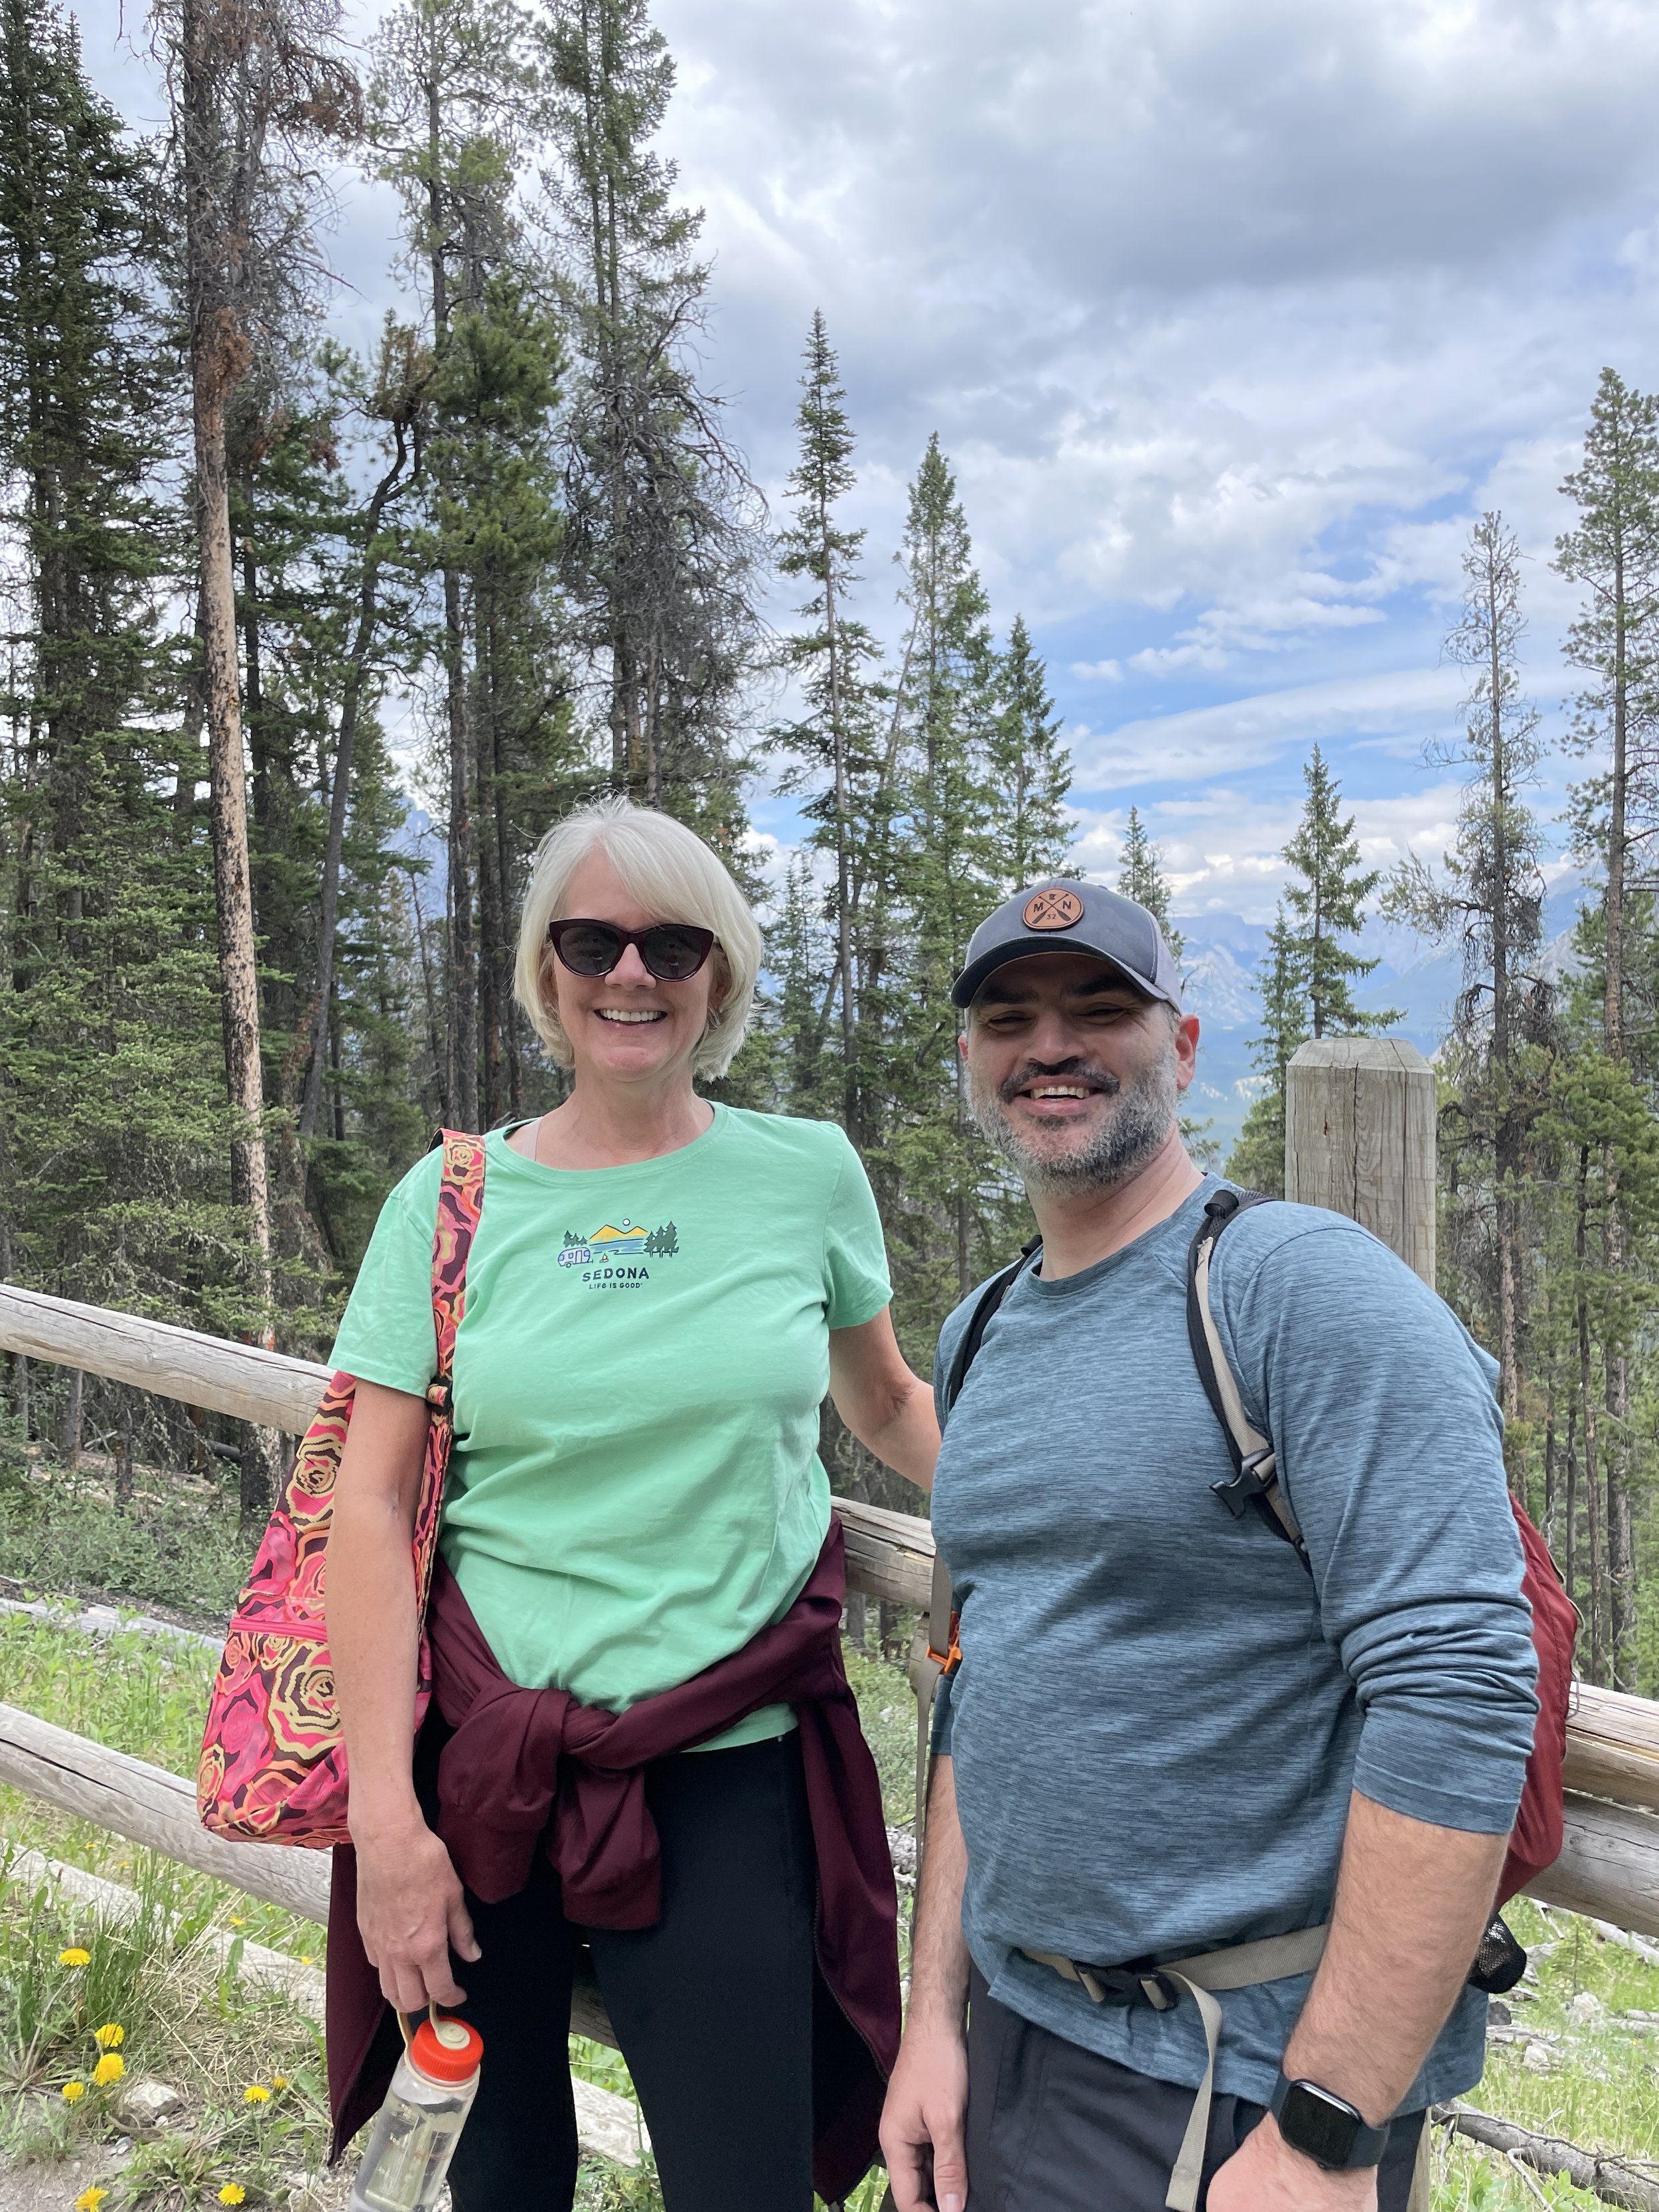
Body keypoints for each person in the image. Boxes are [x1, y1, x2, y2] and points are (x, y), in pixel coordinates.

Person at [879, 878, 1539, 2212]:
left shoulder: (1297, 1291)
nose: (1048, 1044)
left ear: (1178, 1049)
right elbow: (980, 1672)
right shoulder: (981, 1327)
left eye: (1099, 1009)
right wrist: (932, 2016)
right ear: (970, 1060)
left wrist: (1324, 2128)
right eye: (1008, 1016)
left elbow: (1457, 1689)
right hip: (1017, 2034)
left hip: (1229, 2077)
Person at [323, 798, 938, 2212]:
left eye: (672, 941)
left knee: (745, 2184)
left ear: (718, 972)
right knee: (499, 2184)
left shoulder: (803, 1173)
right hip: (477, 1770)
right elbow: (369, 1504)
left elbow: (886, 1401)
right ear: (546, 971)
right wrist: (386, 1828)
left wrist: (1042, 1527)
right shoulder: (451, 1197)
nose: (631, 972)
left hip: (729, 1756)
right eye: (592, 939)